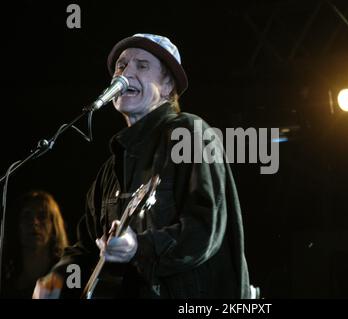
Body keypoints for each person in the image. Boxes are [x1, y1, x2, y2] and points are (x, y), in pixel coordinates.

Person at [33, 33, 252, 298]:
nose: (126, 73)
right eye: (121, 66)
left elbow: (205, 228)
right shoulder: (111, 170)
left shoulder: (190, 133)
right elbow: (87, 246)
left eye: (142, 65)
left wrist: (140, 246)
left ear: (169, 85)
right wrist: (57, 278)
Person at [1, 191, 69, 298]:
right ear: (16, 226)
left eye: (42, 216)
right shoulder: (5, 277)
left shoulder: (68, 273)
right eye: (27, 216)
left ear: (54, 227)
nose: (34, 222)